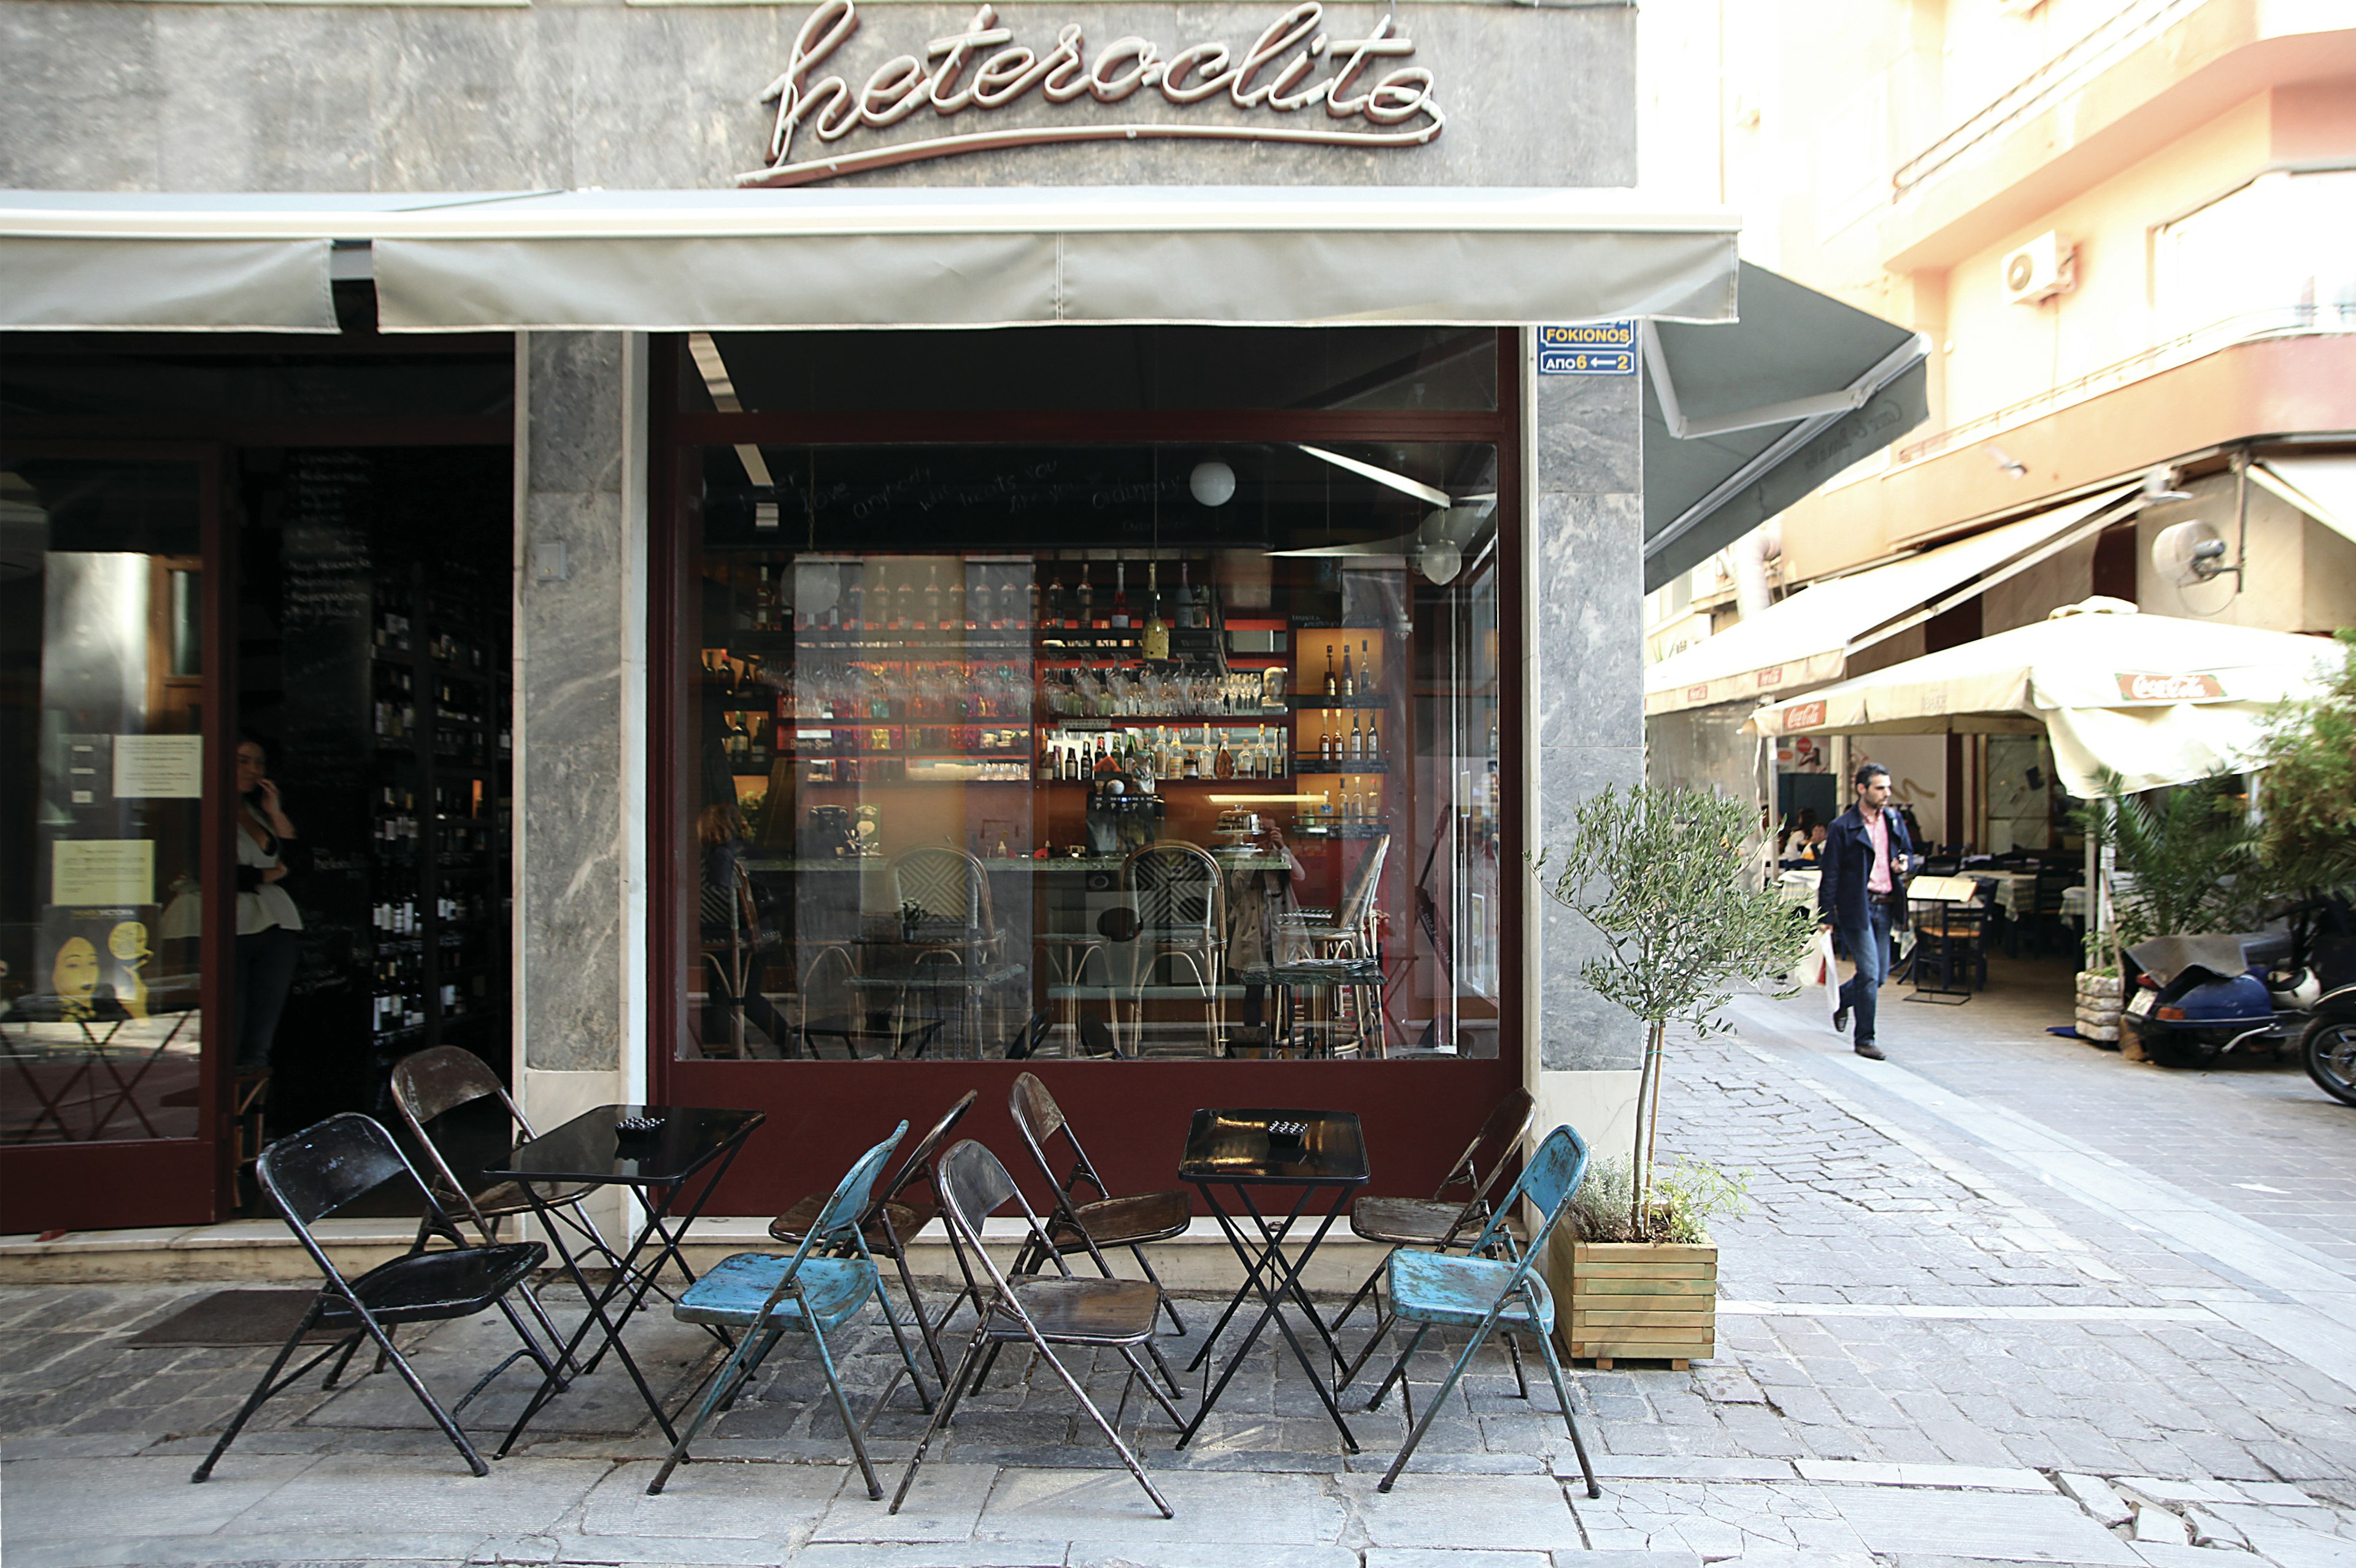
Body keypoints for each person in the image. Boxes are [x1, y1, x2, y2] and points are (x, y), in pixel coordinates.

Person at [1817, 762, 1913, 1061]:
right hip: (1857, 908)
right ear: (1862, 789)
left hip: (1886, 907)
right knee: (1870, 974)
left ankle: (1843, 999)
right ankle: (1865, 1039)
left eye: (1888, 787)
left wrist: (1906, 863)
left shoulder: (1895, 820)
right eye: (1880, 788)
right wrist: (1825, 918)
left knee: (1880, 976)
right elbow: (1830, 874)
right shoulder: (1843, 827)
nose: (1887, 793)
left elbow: (1908, 852)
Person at [234, 737, 305, 1072]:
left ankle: (250, 1119)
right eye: (243, 761)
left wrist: (275, 812)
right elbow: (216, 874)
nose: (253, 771)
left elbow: (300, 862)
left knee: (260, 1041)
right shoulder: (199, 809)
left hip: (276, 924)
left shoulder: (256, 811)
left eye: (258, 763)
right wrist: (276, 871)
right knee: (229, 1029)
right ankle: (224, 1119)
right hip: (230, 923)